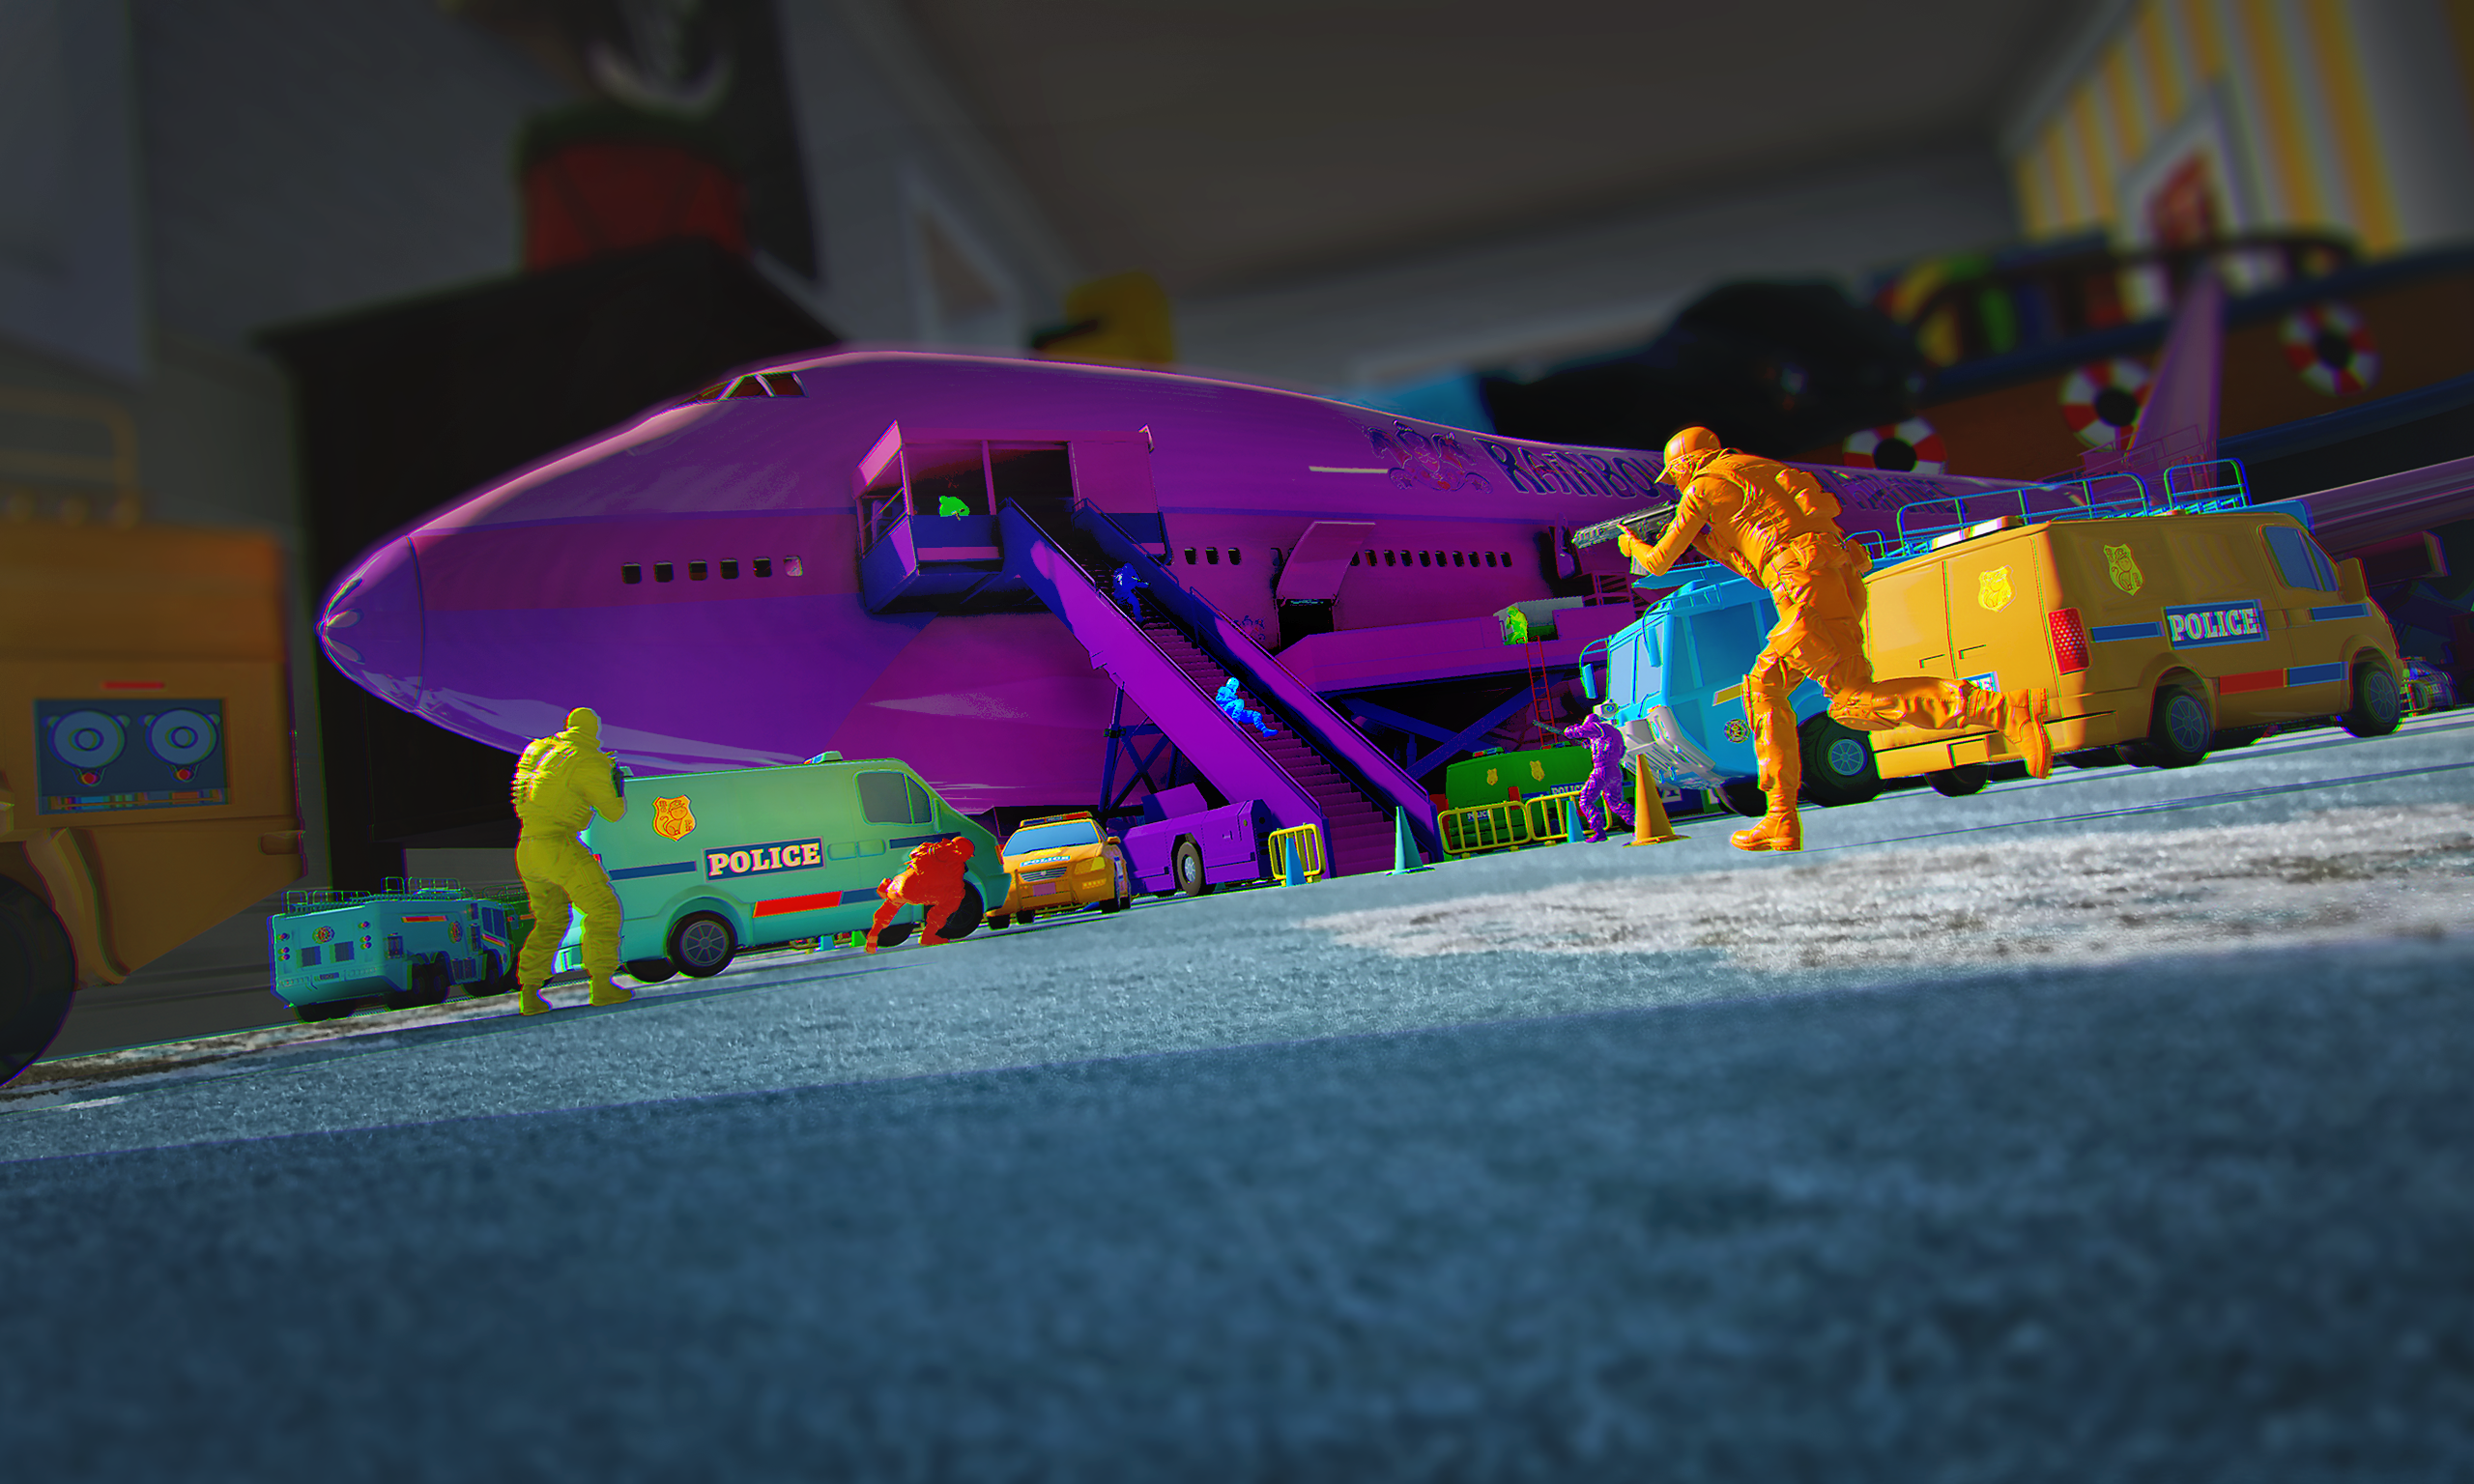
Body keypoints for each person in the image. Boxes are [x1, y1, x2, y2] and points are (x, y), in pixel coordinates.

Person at [1617, 427, 2052, 853]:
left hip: (1801, 586)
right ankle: (1781, 818)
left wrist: (1633, 546)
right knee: (1765, 687)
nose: (1676, 485)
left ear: (1685, 465)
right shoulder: (1762, 471)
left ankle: (2001, 709)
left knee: (1851, 702)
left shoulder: (1702, 488)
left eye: (1674, 476)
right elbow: (1757, 558)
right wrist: (1710, 542)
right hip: (1829, 576)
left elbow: (1656, 564)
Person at [510, 706, 631, 1013]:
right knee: (603, 908)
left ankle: (529, 992)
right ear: (594, 730)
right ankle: (602, 985)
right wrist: (615, 781)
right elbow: (614, 812)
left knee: (550, 920)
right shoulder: (588, 759)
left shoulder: (537, 749)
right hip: (557, 846)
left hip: (527, 846)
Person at [1559, 703, 1636, 843]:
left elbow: (1578, 732)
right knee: (1615, 802)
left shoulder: (1598, 727)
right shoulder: (1613, 732)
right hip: (1615, 770)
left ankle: (1599, 831)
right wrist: (1592, 743)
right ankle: (1638, 822)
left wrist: (1569, 731)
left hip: (1601, 770)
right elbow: (1619, 750)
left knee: (1585, 800)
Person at [1215, 676, 1279, 737]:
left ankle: (1265, 730)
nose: (1234, 687)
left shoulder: (1234, 695)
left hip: (1234, 711)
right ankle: (1235, 720)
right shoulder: (1224, 689)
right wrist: (1230, 700)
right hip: (1225, 708)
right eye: (1233, 685)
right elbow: (1218, 699)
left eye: (1235, 686)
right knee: (1240, 701)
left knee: (1256, 714)